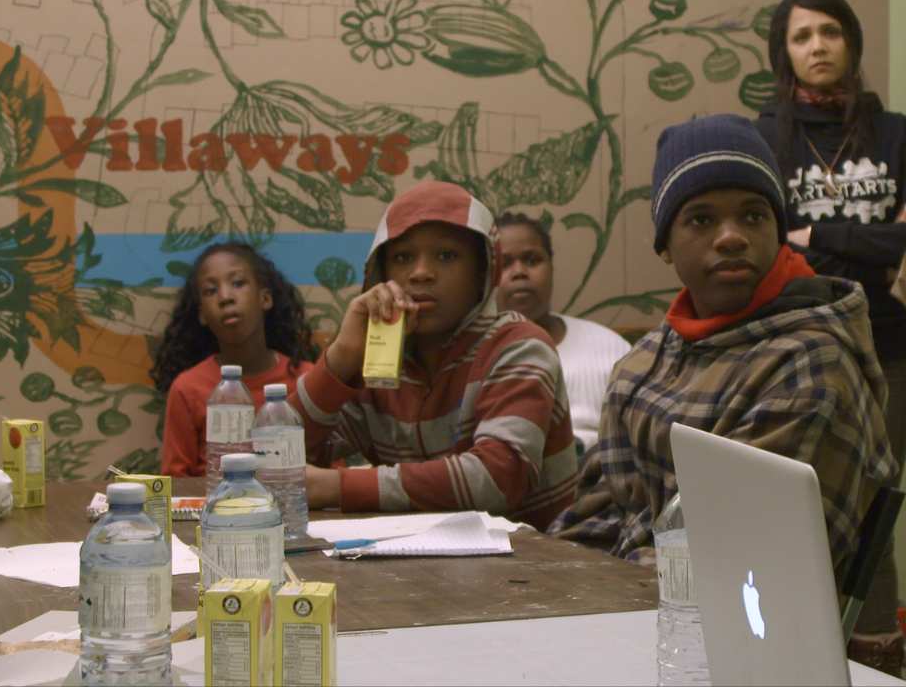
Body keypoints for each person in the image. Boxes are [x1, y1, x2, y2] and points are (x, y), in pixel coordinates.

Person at [551, 114, 897, 664]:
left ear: (776, 229)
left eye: (754, 215)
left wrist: (602, 584)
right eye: (701, 219)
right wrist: (560, 585)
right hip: (635, 628)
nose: (731, 236)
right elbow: (594, 519)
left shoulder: (812, 362)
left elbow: (741, 563)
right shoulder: (640, 365)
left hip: (757, 653)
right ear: (665, 245)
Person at [754, 0, 906, 669]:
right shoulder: (764, 137)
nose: (818, 45)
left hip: (895, 346)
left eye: (831, 32)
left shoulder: (897, 134)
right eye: (801, 35)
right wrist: (878, 243)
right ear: (783, 53)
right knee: (804, 510)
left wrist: (821, 231)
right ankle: (791, 659)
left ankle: (875, 661)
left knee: (875, 509)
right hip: (802, 346)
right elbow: (772, 247)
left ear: (852, 42)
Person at [292, 180, 577, 530]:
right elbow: (271, 456)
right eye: (402, 257)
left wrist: (334, 487)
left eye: (446, 256)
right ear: (381, 273)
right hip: (419, 565)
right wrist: (339, 360)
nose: (421, 272)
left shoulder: (519, 345)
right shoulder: (378, 356)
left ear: (482, 274)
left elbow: (496, 477)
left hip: (537, 565)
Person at [152, 242, 316, 477]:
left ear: (265, 299)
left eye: (238, 283)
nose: (225, 297)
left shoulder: (306, 379)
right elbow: (177, 484)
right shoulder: (187, 389)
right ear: (202, 315)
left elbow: (330, 470)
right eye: (211, 290)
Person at [495, 212, 632, 453]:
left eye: (532, 259)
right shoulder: (472, 360)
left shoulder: (611, 349)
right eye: (504, 263)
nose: (519, 272)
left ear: (551, 267)